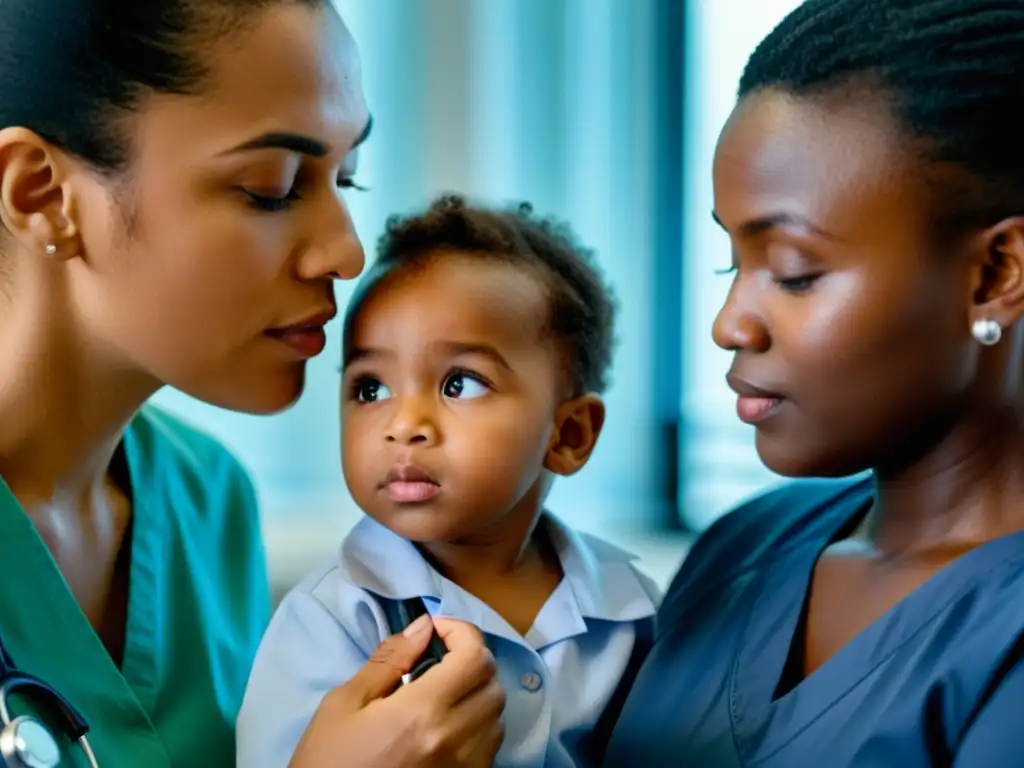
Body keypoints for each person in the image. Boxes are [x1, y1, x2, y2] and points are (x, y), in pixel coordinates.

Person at [0, 1, 503, 766]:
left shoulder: (209, 501)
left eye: (347, 180)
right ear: (41, 194)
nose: (345, 252)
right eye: (271, 187)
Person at [601, 0, 1024, 765]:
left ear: (995, 274)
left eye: (795, 273)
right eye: (734, 261)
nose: (732, 324)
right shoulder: (742, 548)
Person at [237, 195, 661, 767]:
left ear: (569, 436)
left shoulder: (631, 612)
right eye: (370, 388)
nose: (403, 425)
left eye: (460, 383)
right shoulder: (333, 619)